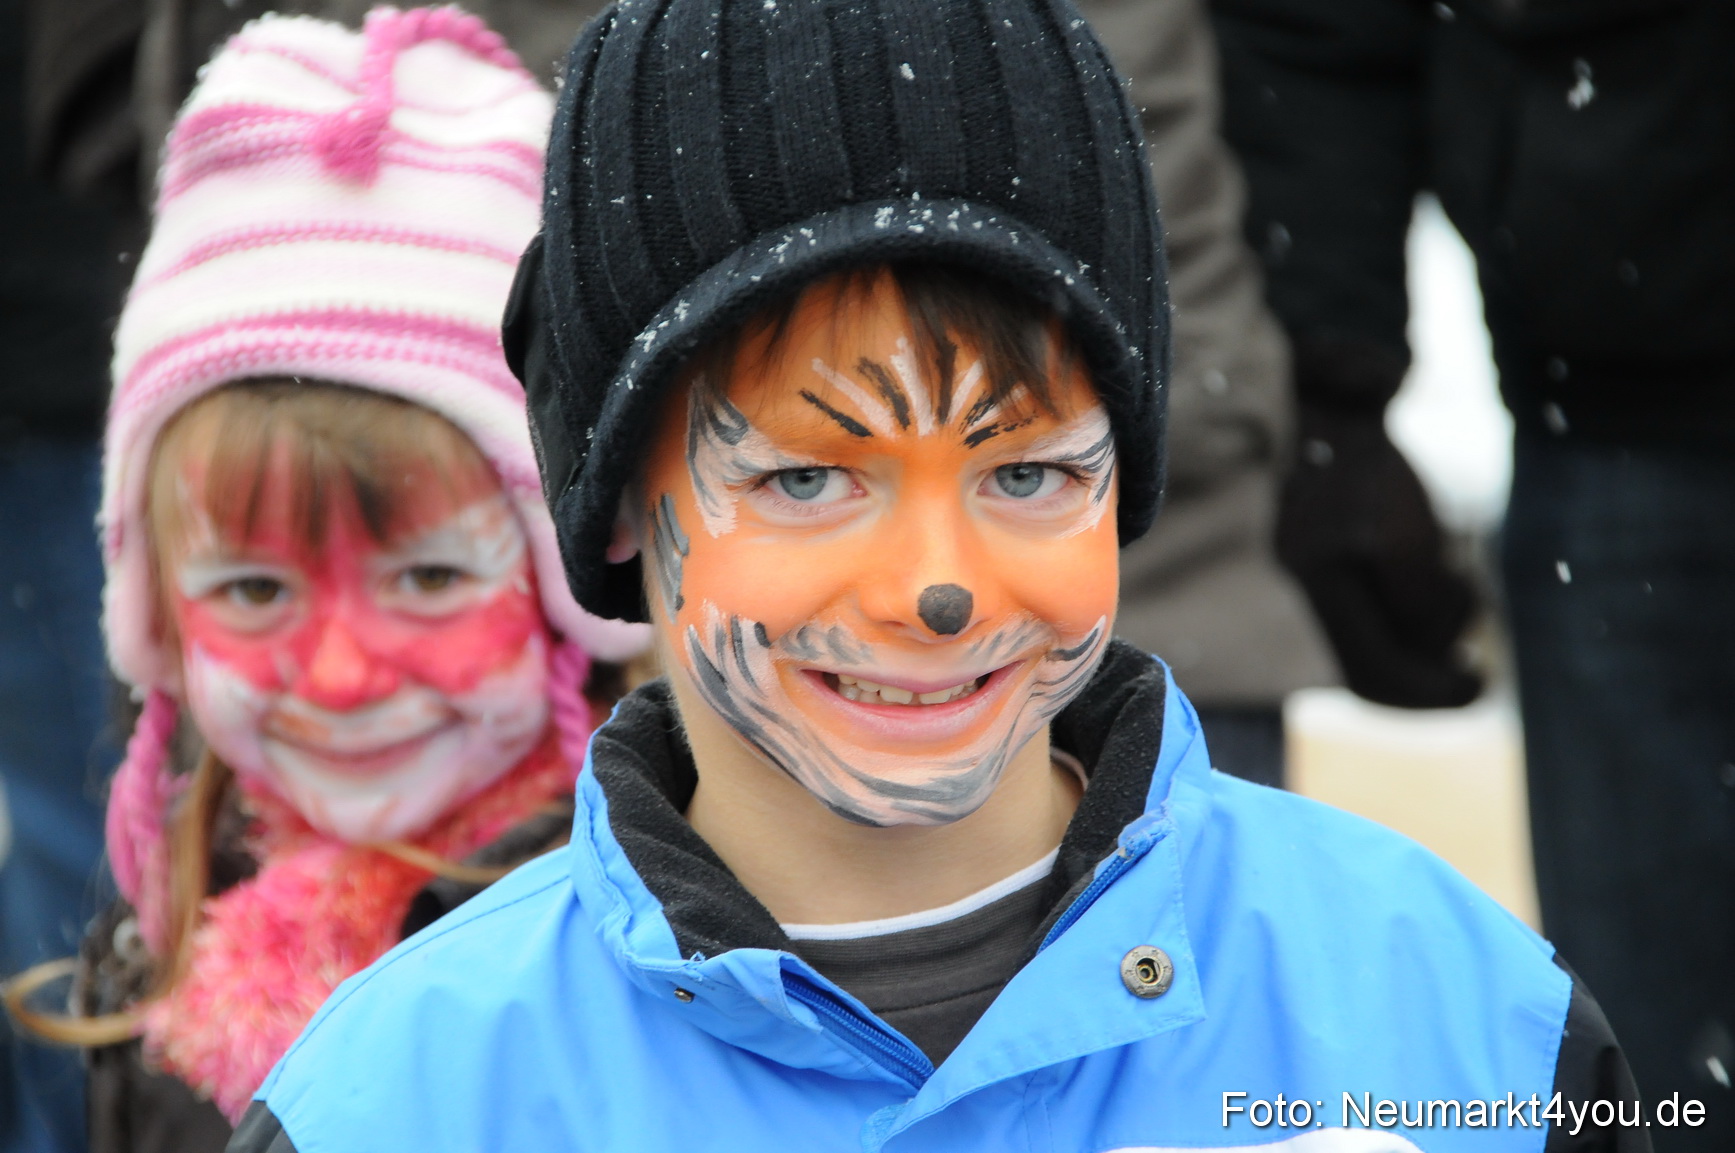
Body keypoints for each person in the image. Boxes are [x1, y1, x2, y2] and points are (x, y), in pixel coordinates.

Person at [226, 1, 1646, 1150]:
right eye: (802, 478)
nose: (935, 588)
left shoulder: (1452, 1028)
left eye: (1023, 474)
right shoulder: (401, 1105)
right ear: (617, 508)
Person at [2, 10, 646, 1151]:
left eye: (433, 574)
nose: (342, 676)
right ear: (156, 617)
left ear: (568, 588)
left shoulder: (648, 986)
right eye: (253, 590)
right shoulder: (164, 953)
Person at [1207, 1, 1735, 1144]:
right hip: (1624, 402)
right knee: (1656, 1078)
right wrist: (1334, 396)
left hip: (1618, 383)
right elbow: (1318, 31)